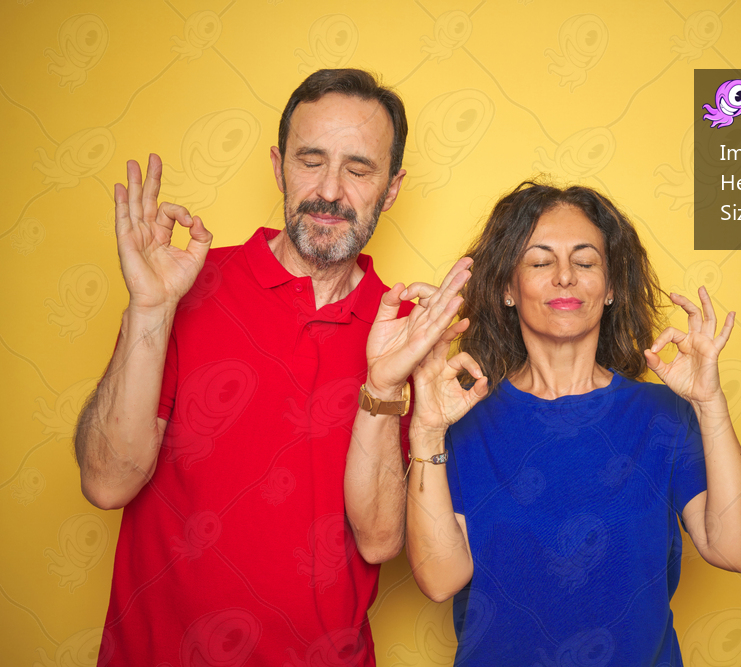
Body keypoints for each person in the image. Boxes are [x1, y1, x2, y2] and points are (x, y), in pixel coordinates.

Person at [73, 69, 471, 665]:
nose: (330, 191)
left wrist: (383, 385)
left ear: (391, 189)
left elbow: (379, 539)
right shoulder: (184, 284)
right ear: (279, 166)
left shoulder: (408, 332)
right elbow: (107, 483)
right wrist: (150, 311)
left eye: (359, 169)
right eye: (311, 161)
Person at [403, 182, 741, 666]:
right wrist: (426, 431)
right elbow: (439, 579)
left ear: (611, 288)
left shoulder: (665, 414)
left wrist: (710, 403)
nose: (565, 277)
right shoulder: (464, 421)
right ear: (508, 289)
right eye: (540, 262)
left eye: (586, 262)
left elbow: (739, 552)